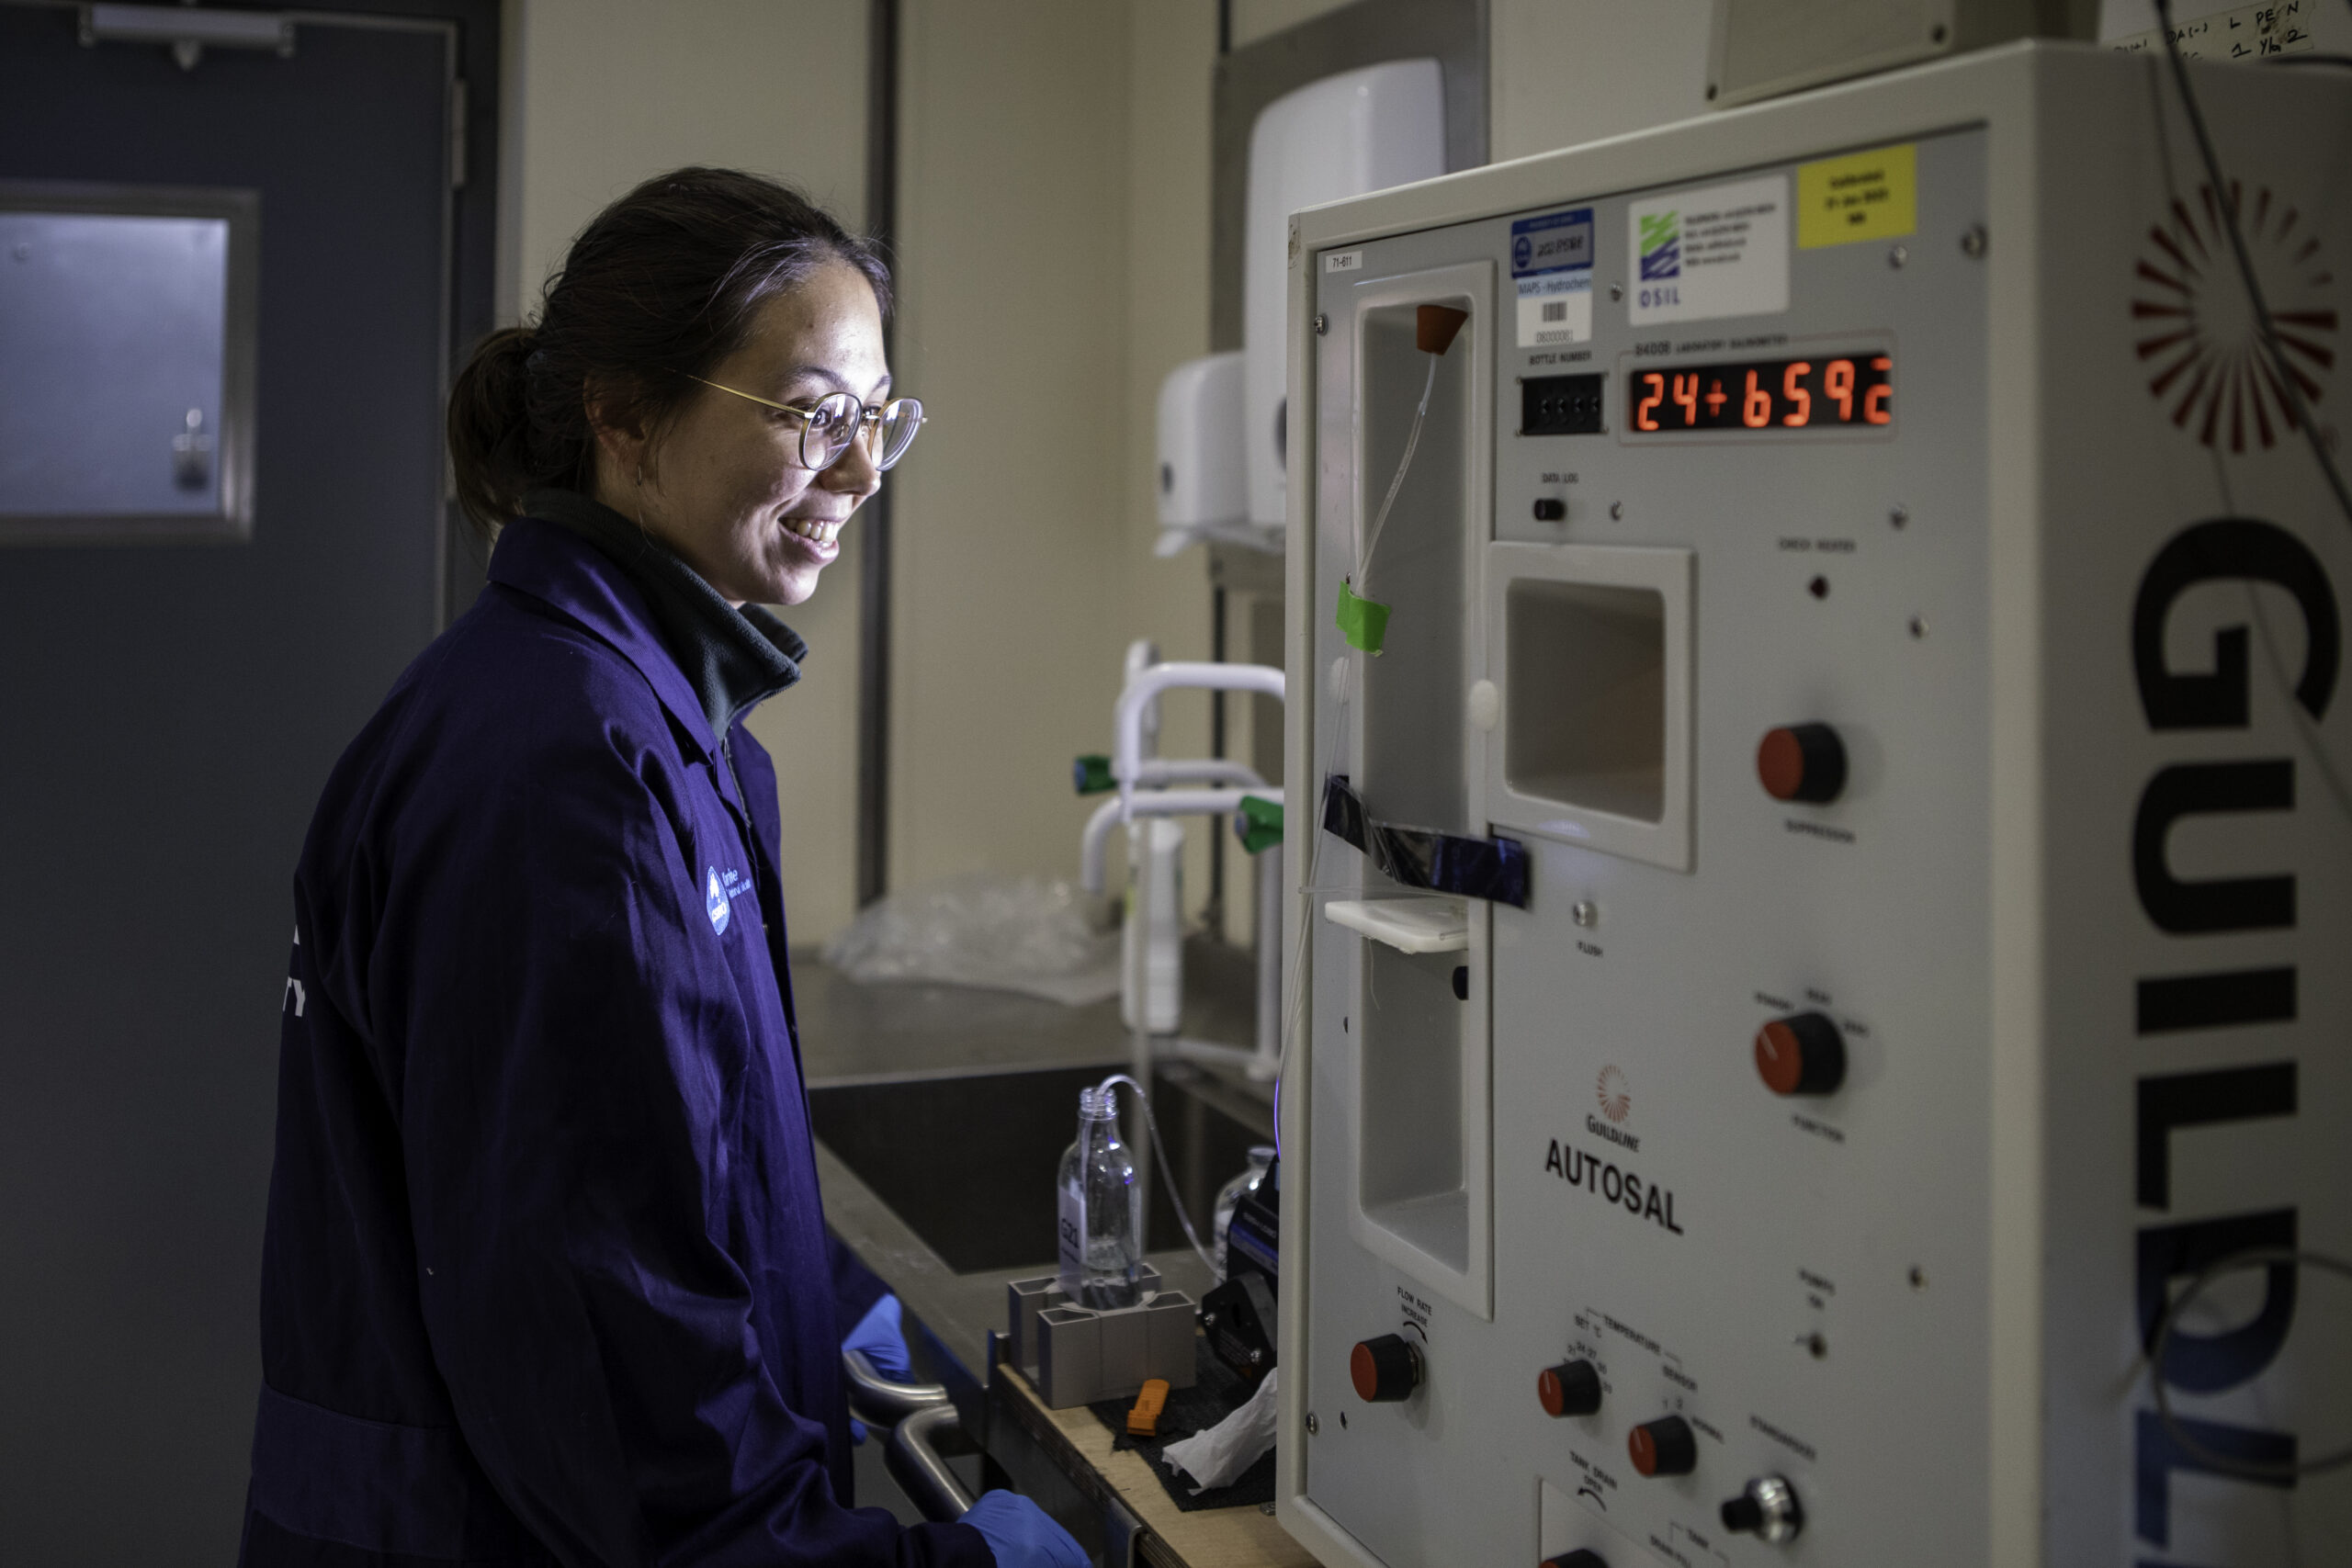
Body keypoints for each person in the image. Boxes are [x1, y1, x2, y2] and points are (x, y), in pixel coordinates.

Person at [240, 167, 1085, 1568]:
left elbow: (667, 1162)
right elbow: (619, 1406)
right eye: (815, 415)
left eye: (877, 418)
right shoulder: (563, 769)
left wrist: (828, 1310)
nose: (862, 473)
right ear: (625, 416)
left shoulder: (641, 716)